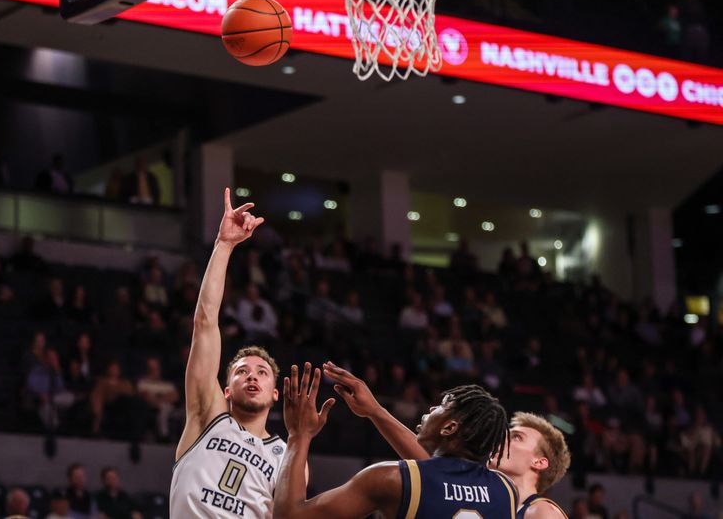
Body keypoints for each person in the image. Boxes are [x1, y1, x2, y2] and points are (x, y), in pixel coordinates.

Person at [170, 188, 291, 518]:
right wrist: (224, 246)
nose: (251, 375)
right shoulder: (207, 415)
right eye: (241, 371)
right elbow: (205, 323)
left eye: (261, 373)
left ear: (275, 393)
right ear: (225, 391)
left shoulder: (288, 456)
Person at [321, 363, 570, 518]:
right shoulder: (495, 494)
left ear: (539, 462)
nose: (502, 438)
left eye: (516, 436)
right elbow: (428, 467)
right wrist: (375, 411)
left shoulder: (541, 512)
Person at [275, 363, 516, 518]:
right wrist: (376, 411)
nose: (432, 407)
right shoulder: (506, 491)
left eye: (441, 406)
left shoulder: (390, 478)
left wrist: (299, 435)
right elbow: (437, 475)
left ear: (449, 427)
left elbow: (291, 516)